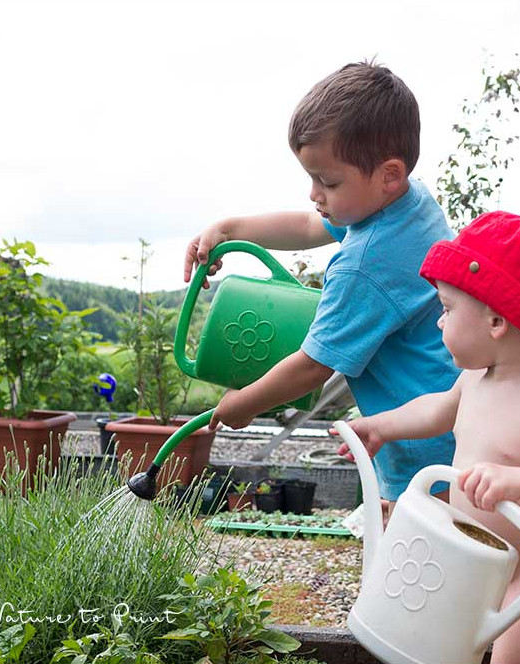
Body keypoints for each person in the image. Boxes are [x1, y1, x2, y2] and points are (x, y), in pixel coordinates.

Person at [336, 211, 520, 664]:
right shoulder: (474, 379)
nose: (439, 324)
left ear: (496, 322)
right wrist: (381, 426)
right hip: (467, 558)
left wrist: (519, 481)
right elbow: (437, 410)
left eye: (446, 310)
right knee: (431, 649)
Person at [182, 61, 460, 503]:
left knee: (422, 559)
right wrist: (231, 227)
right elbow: (311, 226)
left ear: (389, 174)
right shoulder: (405, 204)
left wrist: (246, 402)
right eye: (311, 177)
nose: (315, 194)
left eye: (327, 181)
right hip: (452, 422)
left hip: (425, 450)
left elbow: (314, 364)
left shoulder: (365, 263)